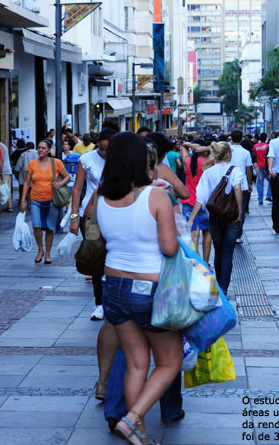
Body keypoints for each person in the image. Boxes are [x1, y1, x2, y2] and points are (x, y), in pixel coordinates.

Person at [96, 132, 182, 445]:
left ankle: (140, 434)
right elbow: (170, 248)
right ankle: (132, 420)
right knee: (170, 362)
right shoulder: (155, 196)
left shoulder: (100, 197)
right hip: (149, 288)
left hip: (114, 287)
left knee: (135, 363)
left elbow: (106, 240)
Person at [70, 127, 116, 320]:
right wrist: (73, 217)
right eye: (102, 149)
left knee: (114, 258)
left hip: (116, 214)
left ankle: (113, 301)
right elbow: (77, 188)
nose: (105, 153)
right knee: (96, 258)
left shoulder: (120, 159)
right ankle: (99, 303)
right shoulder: (86, 159)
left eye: (109, 149)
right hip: (90, 216)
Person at [188, 141, 243, 295]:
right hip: (232, 216)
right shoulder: (235, 170)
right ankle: (224, 287)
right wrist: (239, 211)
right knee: (228, 254)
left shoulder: (208, 173)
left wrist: (192, 217)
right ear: (227, 154)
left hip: (215, 217)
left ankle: (219, 285)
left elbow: (201, 197)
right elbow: (238, 188)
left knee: (218, 252)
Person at [20, 140, 70, 264]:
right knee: (36, 226)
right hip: (36, 199)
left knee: (49, 228)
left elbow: (67, 176)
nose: (40, 150)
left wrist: (59, 184)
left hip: (52, 200)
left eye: (43, 148)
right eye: (39, 148)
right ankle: (40, 250)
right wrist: (22, 201)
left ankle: (47, 254)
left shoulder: (56, 163)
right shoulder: (32, 164)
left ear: (48, 150)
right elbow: (27, 183)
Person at [180, 139, 212, 262]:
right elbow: (219, 148)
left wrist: (189, 145)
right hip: (204, 203)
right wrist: (203, 148)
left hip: (188, 202)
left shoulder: (186, 162)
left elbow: (184, 147)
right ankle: (206, 262)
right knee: (207, 232)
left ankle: (197, 264)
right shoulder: (207, 162)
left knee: (193, 234)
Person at [230, 129, 252, 244]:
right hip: (242, 185)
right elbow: (249, 169)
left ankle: (229, 232)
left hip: (228, 184)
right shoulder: (246, 152)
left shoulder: (227, 151)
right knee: (241, 209)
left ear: (231, 138)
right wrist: (249, 183)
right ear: (242, 138)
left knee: (229, 208)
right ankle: (238, 234)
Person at [14, 142, 38, 206]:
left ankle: (26, 202)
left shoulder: (24, 154)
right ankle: (33, 202)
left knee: (25, 189)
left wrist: (16, 171)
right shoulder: (38, 154)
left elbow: (19, 165)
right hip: (36, 174)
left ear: (27, 147)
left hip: (25, 174)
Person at [0, 134, 13, 212]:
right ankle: (9, 206)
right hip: (6, 170)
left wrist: (1, 170)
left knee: (1, 188)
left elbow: (1, 158)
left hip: (4, 170)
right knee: (6, 188)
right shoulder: (1, 145)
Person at [253, 132, 270, 205]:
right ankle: (268, 195)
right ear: (266, 138)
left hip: (258, 166)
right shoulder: (268, 146)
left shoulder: (255, 146)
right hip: (267, 166)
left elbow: (254, 157)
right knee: (270, 181)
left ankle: (260, 198)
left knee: (259, 182)